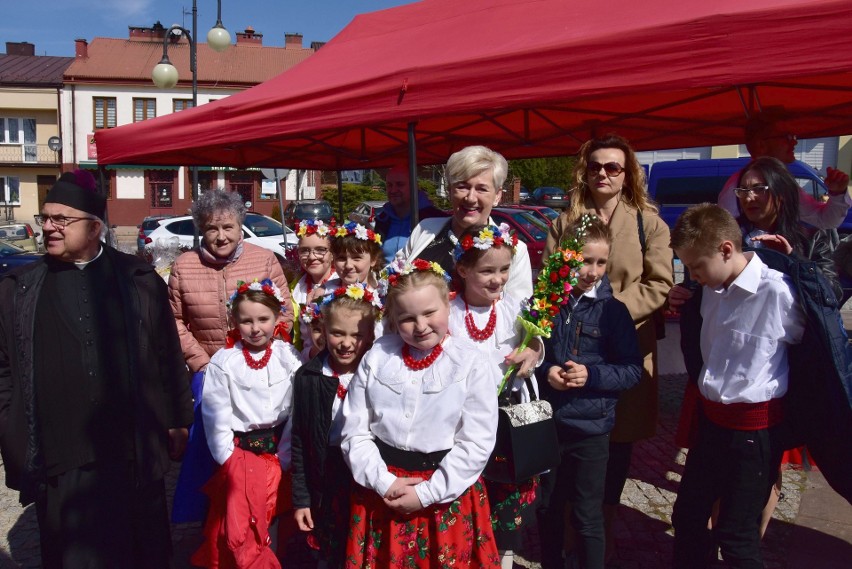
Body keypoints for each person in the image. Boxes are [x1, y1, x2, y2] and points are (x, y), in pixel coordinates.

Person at [0, 170, 193, 568]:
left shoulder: (138, 279)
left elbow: (166, 353)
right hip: (60, 458)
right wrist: (10, 426)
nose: (48, 228)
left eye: (60, 220)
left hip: (132, 451)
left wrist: (177, 419)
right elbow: (4, 370)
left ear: (94, 227)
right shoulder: (19, 288)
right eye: (45, 218)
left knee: (141, 551)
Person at [543, 134, 673, 558]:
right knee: (568, 455)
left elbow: (659, 283)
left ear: (627, 174)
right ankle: (563, 544)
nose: (603, 173)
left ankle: (602, 541)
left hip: (624, 346)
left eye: (613, 167)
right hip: (569, 351)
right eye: (596, 165)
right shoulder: (565, 223)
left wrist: (608, 313)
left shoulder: (647, 224)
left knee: (615, 452)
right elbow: (549, 283)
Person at [670, 203, 805, 569]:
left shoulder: (778, 292)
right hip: (712, 425)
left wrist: (800, 268)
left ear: (726, 249)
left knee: (736, 536)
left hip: (754, 434)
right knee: (687, 516)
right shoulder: (709, 289)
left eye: (697, 266)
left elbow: (814, 343)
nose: (693, 275)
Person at [341, 259, 501, 568]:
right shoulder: (378, 357)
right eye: (407, 318)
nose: (421, 325)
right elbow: (354, 429)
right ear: (392, 318)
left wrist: (428, 493)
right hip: (383, 489)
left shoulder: (470, 363)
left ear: (448, 303)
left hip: (445, 494)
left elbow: (476, 442)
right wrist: (383, 480)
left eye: (430, 313)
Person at [169, 189, 294, 524]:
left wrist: (263, 356)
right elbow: (175, 321)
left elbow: (284, 313)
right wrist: (201, 361)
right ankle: (216, 525)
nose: (220, 236)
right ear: (201, 230)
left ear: (241, 227)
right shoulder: (184, 266)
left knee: (259, 451)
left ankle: (263, 516)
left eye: (228, 227)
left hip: (256, 369)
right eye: (211, 228)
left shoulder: (263, 259)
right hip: (208, 369)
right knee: (211, 451)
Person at [535, 216, 642, 569]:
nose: (593, 271)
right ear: (566, 257)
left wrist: (591, 374)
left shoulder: (613, 311)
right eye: (585, 260)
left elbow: (630, 370)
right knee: (548, 507)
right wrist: (545, 369)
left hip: (591, 430)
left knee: (586, 514)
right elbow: (529, 350)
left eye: (601, 262)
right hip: (549, 425)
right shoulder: (547, 303)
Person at [448, 223, 543, 569]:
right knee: (469, 504)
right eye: (487, 270)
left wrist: (533, 349)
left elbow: (535, 338)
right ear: (463, 269)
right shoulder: (449, 312)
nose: (498, 279)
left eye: (504, 270)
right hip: (461, 425)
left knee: (505, 512)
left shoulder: (514, 307)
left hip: (506, 425)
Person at [192, 279, 303, 568]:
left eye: (263, 319)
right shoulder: (224, 361)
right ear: (234, 321)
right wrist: (227, 458)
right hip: (240, 457)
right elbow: (215, 413)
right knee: (239, 522)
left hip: (278, 451)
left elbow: (297, 409)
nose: (256, 328)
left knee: (273, 519)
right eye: (247, 321)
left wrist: (285, 457)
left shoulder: (288, 357)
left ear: (277, 317)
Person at [291, 283, 382, 568]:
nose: (346, 343)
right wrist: (302, 499)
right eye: (337, 333)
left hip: (367, 476)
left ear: (370, 336)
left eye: (357, 335)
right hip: (327, 475)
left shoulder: (380, 373)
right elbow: (300, 441)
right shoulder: (308, 377)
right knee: (330, 551)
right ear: (322, 330)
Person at [401, 145, 533, 299]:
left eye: (481, 189)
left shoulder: (516, 250)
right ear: (450, 190)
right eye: (462, 187)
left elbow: (518, 314)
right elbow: (393, 282)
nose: (470, 198)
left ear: (497, 196)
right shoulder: (425, 229)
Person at [717, 110, 850, 229]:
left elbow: (824, 220)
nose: (794, 142)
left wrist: (837, 193)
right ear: (762, 145)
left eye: (793, 136)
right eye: (786, 137)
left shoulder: (784, 183)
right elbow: (726, 237)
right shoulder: (735, 189)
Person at [374, 163, 446, 263]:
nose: (393, 190)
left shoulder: (434, 219)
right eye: (389, 185)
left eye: (400, 184)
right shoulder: (382, 220)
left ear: (414, 186)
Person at [291, 219, 338, 357]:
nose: (312, 257)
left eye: (320, 250)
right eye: (304, 251)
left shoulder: (341, 286)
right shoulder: (295, 288)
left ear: (332, 254)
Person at [328, 221, 384, 289]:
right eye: (341, 258)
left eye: (356, 258)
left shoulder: (381, 296)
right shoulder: (323, 295)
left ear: (373, 260)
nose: (348, 265)